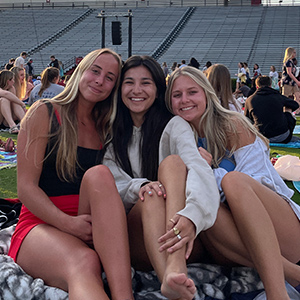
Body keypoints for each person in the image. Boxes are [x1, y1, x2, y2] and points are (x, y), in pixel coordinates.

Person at [163, 66, 300, 300]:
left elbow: (260, 181)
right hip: (232, 241)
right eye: (177, 95)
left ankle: (279, 291)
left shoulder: (232, 124)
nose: (185, 100)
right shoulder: (176, 137)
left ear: (206, 93)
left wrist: (207, 172)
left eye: (192, 92)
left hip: (280, 229)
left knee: (233, 181)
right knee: (203, 209)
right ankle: (293, 274)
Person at [8, 48, 134, 300]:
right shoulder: (44, 112)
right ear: (80, 71)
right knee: (85, 262)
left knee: (99, 174)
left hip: (90, 223)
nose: (100, 81)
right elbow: (26, 188)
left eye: (110, 77)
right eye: (95, 71)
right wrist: (67, 224)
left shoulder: (106, 125)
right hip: (40, 223)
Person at [103, 56, 220, 300]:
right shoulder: (112, 130)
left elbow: (197, 166)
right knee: (151, 194)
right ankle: (169, 273)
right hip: (134, 237)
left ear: (157, 90)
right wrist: (141, 186)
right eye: (129, 83)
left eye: (146, 83)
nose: (137, 90)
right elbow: (112, 181)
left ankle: (173, 273)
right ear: (120, 89)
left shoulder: (174, 125)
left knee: (174, 164)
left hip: (177, 233)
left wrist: (193, 214)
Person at [244, 75, 299, 143]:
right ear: (270, 85)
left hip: (261, 136)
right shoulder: (277, 96)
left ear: (257, 86)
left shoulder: (250, 100)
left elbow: (247, 120)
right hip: (282, 136)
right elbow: (295, 105)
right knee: (288, 107)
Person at [281, 47, 300, 115]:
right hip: (288, 82)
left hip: (292, 82)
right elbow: (289, 73)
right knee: (285, 96)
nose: (295, 54)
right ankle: (284, 111)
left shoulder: (291, 62)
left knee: (297, 95)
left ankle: (296, 111)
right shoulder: (288, 62)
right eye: (294, 52)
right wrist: (297, 81)